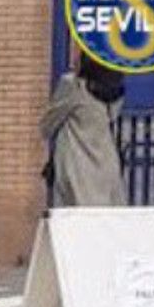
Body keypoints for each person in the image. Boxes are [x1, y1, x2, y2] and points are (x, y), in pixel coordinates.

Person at [40, 53, 128, 208]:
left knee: (76, 221)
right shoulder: (115, 90)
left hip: (78, 166)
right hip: (106, 163)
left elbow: (47, 125)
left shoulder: (73, 86)